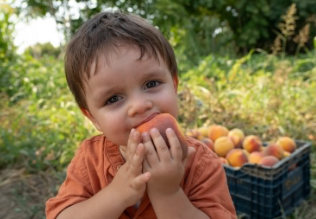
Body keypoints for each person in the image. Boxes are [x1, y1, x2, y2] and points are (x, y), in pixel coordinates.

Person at [45, 10, 237, 219]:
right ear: (92, 117)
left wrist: (167, 193)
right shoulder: (90, 161)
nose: (139, 105)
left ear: (174, 85)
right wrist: (117, 194)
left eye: (151, 84)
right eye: (113, 99)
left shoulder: (201, 164)